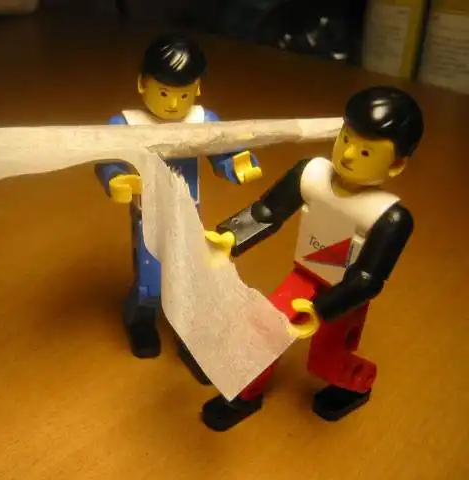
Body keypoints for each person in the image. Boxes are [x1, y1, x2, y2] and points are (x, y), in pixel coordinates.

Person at [202, 86, 424, 431]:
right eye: (346, 138)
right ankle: (246, 394)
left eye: (365, 151)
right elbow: (267, 211)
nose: (348, 154)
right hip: (305, 274)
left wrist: (323, 310)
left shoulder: (389, 217)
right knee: (265, 328)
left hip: (342, 295)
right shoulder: (312, 174)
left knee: (325, 361)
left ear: (396, 164)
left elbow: (367, 279)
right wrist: (230, 236)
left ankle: (359, 380)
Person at [95, 33, 262, 363]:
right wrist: (115, 179)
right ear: (142, 84)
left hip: (188, 212)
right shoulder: (126, 125)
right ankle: (140, 320)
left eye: (183, 94)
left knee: (190, 276)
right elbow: (106, 160)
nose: (173, 104)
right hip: (149, 215)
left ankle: (188, 328)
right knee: (150, 281)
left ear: (197, 89)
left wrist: (237, 165)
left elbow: (224, 151)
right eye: (164, 92)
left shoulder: (202, 122)